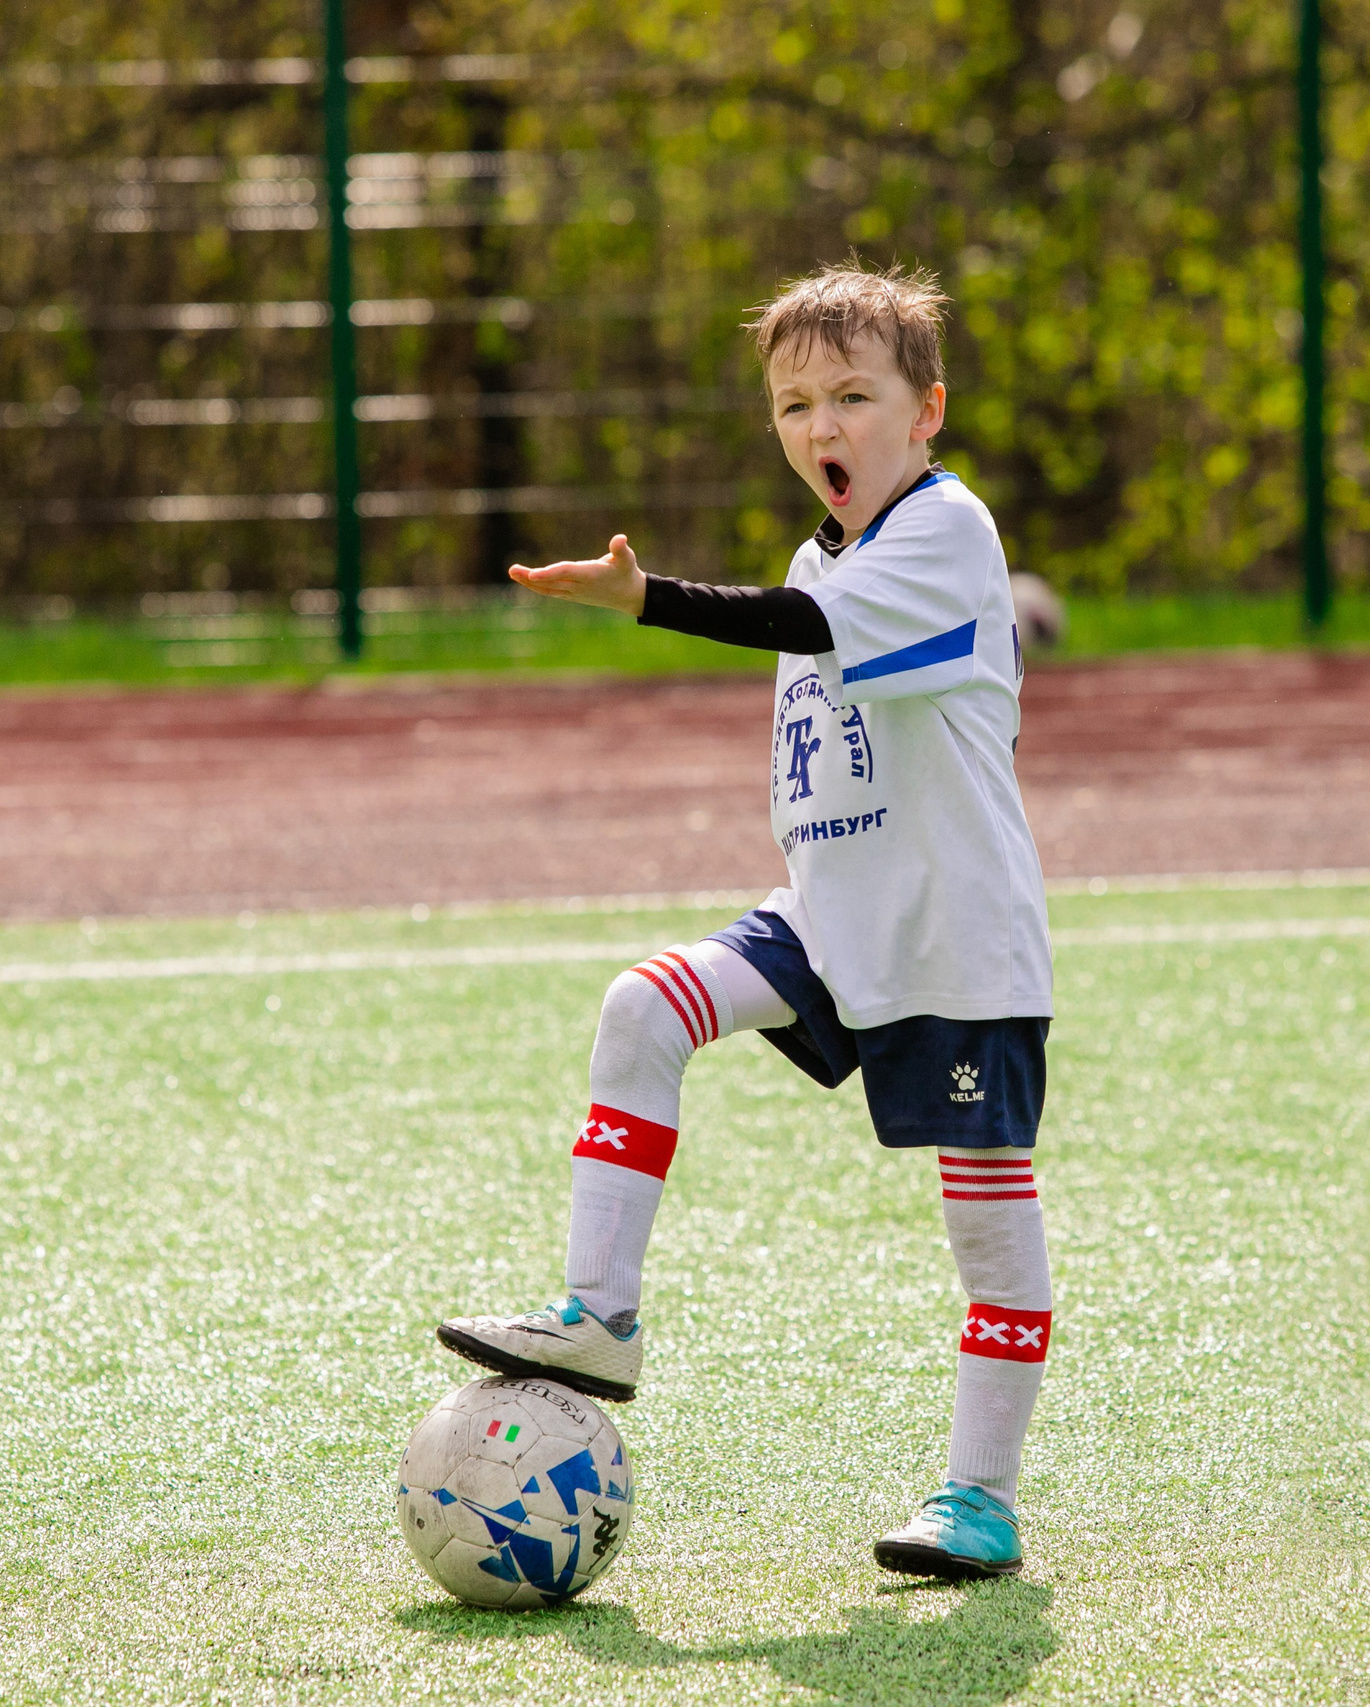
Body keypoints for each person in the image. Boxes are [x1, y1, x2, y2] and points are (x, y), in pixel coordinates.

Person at [436, 263, 1055, 1581]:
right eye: (794, 406)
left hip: (955, 940)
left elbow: (800, 624)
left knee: (990, 1232)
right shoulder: (821, 549)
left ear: (926, 411)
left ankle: (981, 1499)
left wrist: (645, 599)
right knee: (643, 1008)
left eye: (853, 397)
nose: (823, 426)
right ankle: (599, 1318)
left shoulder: (948, 530)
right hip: (828, 917)